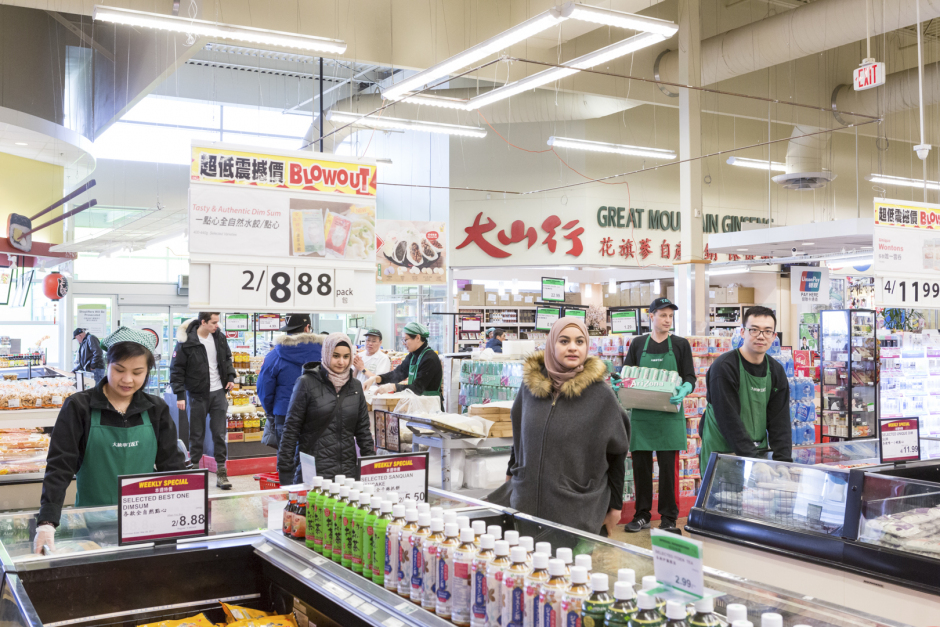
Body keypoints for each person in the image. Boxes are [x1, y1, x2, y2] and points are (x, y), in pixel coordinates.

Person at [35, 327, 186, 554]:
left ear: (147, 372)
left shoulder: (156, 409)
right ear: (107, 364)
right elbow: (60, 466)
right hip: (89, 525)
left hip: (145, 520)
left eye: (137, 372)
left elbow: (171, 466)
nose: (127, 380)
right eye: (119, 369)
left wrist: (178, 514)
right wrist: (47, 521)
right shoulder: (79, 406)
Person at [506, 318, 630, 535]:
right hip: (525, 504)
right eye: (564, 341)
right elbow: (519, 439)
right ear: (551, 344)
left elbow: (617, 454)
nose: (573, 347)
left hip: (576, 511)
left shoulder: (600, 395)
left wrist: (616, 506)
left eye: (580, 342)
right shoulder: (529, 389)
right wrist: (511, 476)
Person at [622, 298, 696, 534]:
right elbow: (627, 375)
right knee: (641, 469)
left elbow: (690, 377)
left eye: (670, 316)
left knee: (668, 471)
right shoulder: (637, 344)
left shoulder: (680, 345)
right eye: (663, 315)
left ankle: (668, 518)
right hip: (642, 416)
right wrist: (619, 384)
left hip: (669, 416)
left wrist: (685, 389)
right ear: (651, 316)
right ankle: (642, 515)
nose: (667, 320)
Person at [700, 306, 792, 469]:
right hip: (722, 455)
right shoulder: (724, 367)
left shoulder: (776, 371)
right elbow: (729, 420)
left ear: (774, 336)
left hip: (757, 453)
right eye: (754, 330)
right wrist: (752, 460)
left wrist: (783, 462)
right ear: (743, 332)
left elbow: (780, 421)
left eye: (767, 331)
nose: (761, 336)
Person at [277, 333, 375, 483]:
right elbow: (291, 429)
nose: (341, 362)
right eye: (336, 356)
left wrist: (372, 466)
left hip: (346, 472)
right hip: (314, 471)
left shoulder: (355, 386)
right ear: (326, 353)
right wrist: (285, 469)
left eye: (346, 356)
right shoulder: (306, 383)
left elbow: (363, 431)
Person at [169, 312, 236, 490]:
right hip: (197, 394)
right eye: (213, 322)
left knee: (219, 434)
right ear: (203, 322)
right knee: (196, 435)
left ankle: (221, 472)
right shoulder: (187, 342)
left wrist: (230, 376)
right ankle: (196, 472)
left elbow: (227, 359)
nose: (217, 325)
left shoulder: (219, 338)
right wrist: (180, 395)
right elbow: (176, 370)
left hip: (218, 394)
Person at [257, 314, 324, 447]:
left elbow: (263, 388)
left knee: (286, 458)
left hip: (285, 413)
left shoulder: (274, 355)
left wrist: (273, 410)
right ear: (307, 328)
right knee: (315, 458)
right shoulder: (325, 352)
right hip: (318, 413)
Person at [365, 322, 442, 398]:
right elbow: (397, 374)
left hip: (431, 404)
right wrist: (375, 378)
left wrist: (393, 387)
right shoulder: (412, 356)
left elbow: (417, 388)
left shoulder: (430, 359)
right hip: (417, 402)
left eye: (405, 339)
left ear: (418, 338)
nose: (403, 343)